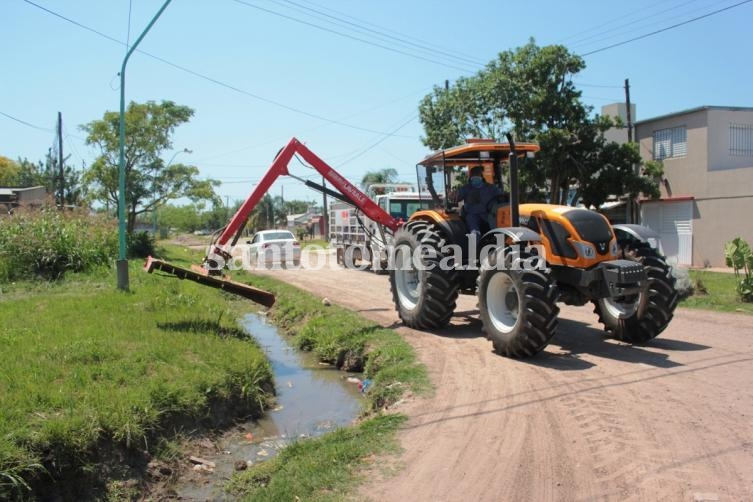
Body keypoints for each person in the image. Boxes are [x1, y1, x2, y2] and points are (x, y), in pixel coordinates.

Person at [456, 165, 502, 241]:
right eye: (473, 176)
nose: (475, 177)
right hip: (472, 214)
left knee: (500, 225)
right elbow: (457, 197)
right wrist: (453, 196)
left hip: (488, 214)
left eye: (477, 175)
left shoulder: (491, 188)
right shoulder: (466, 188)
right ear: (470, 177)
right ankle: (475, 249)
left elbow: (501, 196)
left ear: (481, 176)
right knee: (475, 232)